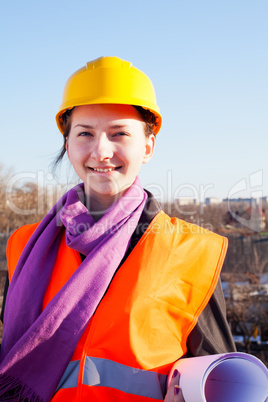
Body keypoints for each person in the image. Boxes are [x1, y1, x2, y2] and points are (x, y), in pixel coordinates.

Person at [0, 56, 235, 402]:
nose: (101, 150)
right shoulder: (24, 245)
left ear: (148, 146)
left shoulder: (189, 251)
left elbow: (223, 380)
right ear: (68, 145)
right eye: (85, 134)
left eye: (119, 133)